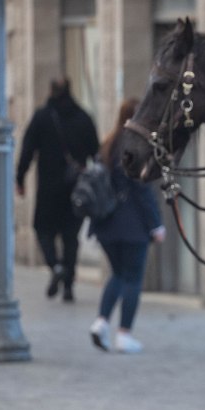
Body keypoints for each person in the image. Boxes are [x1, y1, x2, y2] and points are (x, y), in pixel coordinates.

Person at [88, 99, 166, 355]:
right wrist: (156, 224)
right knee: (132, 278)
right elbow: (141, 190)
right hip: (132, 226)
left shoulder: (108, 143)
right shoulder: (134, 147)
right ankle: (124, 334)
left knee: (118, 275)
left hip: (107, 225)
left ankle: (101, 323)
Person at [15, 77, 99, 302]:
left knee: (43, 230)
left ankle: (55, 266)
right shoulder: (83, 117)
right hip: (77, 189)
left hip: (49, 189)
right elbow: (96, 152)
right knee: (71, 238)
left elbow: (27, 149)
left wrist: (20, 178)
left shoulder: (42, 117)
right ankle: (69, 285)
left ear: (51, 91)